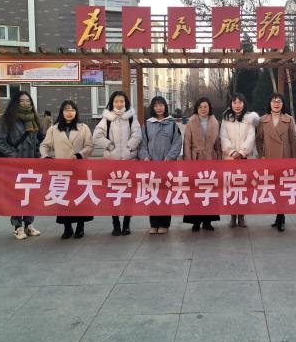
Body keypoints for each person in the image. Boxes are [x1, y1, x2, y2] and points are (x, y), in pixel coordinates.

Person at [40, 100, 94, 239]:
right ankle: (67, 227)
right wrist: (46, 156)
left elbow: (89, 145)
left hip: (79, 168)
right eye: (66, 110)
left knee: (79, 198)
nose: (69, 113)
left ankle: (80, 227)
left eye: (72, 110)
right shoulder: (54, 129)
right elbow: (44, 145)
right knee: (63, 198)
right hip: (62, 170)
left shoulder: (83, 127)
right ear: (62, 112)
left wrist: (80, 154)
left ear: (76, 112)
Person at [93, 91, 142, 236]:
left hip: (129, 162)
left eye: (122, 101)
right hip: (112, 163)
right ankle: (115, 224)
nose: (119, 104)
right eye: (116, 101)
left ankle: (126, 224)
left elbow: (137, 135)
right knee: (113, 194)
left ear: (126, 102)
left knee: (128, 194)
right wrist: (109, 146)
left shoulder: (131, 118)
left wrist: (129, 148)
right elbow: (97, 136)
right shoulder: (107, 119)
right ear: (112, 103)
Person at [0, 91, 43, 240]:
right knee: (15, 195)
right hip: (14, 164)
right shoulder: (7, 120)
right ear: (15, 102)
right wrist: (14, 155)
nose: (25, 103)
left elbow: (40, 139)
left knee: (30, 194)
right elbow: (0, 141)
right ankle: (17, 226)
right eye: (22, 101)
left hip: (31, 163)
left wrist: (38, 153)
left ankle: (29, 224)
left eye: (28, 101)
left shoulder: (34, 119)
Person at [139, 96, 182, 234]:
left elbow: (177, 142)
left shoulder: (172, 124)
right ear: (152, 108)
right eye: (156, 105)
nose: (159, 108)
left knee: (165, 194)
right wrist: (145, 157)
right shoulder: (146, 125)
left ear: (165, 106)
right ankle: (154, 224)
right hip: (151, 166)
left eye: (161, 105)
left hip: (168, 166)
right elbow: (142, 144)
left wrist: (169, 157)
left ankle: (164, 224)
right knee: (153, 195)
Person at [256, 92, 296, 232]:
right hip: (269, 159)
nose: (276, 104)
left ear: (283, 104)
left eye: (279, 101)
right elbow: (258, 140)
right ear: (269, 103)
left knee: (282, 188)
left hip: (284, 158)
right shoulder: (263, 120)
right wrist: (262, 155)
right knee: (274, 189)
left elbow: (294, 141)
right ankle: (278, 216)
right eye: (274, 101)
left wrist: (295, 161)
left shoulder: (289, 119)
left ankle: (281, 217)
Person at [182, 97, 222, 231]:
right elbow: (187, 142)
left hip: (211, 159)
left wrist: (219, 159)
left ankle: (207, 221)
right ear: (196, 108)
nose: (203, 109)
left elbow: (218, 144)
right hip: (196, 159)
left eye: (205, 106)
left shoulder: (215, 122)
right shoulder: (191, 121)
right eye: (200, 107)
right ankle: (195, 221)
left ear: (209, 107)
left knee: (209, 191)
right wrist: (188, 161)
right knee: (195, 191)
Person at [220, 93, 258, 228]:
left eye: (240, 102)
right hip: (230, 158)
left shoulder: (249, 119)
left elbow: (251, 137)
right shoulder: (226, 119)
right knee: (231, 188)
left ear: (244, 104)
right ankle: (232, 216)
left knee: (244, 189)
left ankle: (241, 216)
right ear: (231, 104)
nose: (237, 105)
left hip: (245, 158)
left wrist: (242, 152)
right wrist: (232, 152)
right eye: (234, 102)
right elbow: (223, 137)